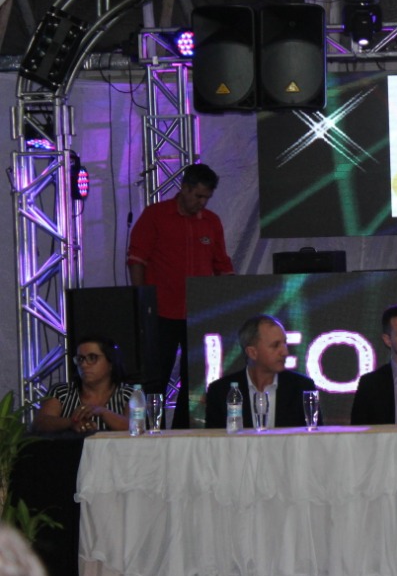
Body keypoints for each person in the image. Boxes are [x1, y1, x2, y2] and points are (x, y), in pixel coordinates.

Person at [126, 163, 234, 428]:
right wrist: (142, 300)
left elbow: (222, 264)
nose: (202, 202)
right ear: (184, 188)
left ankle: (185, 430)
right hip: (161, 311)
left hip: (198, 313)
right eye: (198, 196)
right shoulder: (155, 215)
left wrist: (230, 297)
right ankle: (153, 431)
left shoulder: (211, 221)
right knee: (156, 376)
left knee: (194, 376)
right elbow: (137, 259)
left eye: (207, 197)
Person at [205, 315, 320, 429]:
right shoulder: (220, 391)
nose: (285, 352)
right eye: (275, 345)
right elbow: (212, 438)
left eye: (285, 343)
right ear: (252, 353)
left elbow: (317, 436)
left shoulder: (302, 387)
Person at [34, 337, 134, 434]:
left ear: (111, 363)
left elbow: (135, 427)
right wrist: (71, 422)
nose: (84, 364)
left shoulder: (128, 394)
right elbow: (39, 424)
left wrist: (103, 412)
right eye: (80, 359)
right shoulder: (61, 392)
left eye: (92, 358)